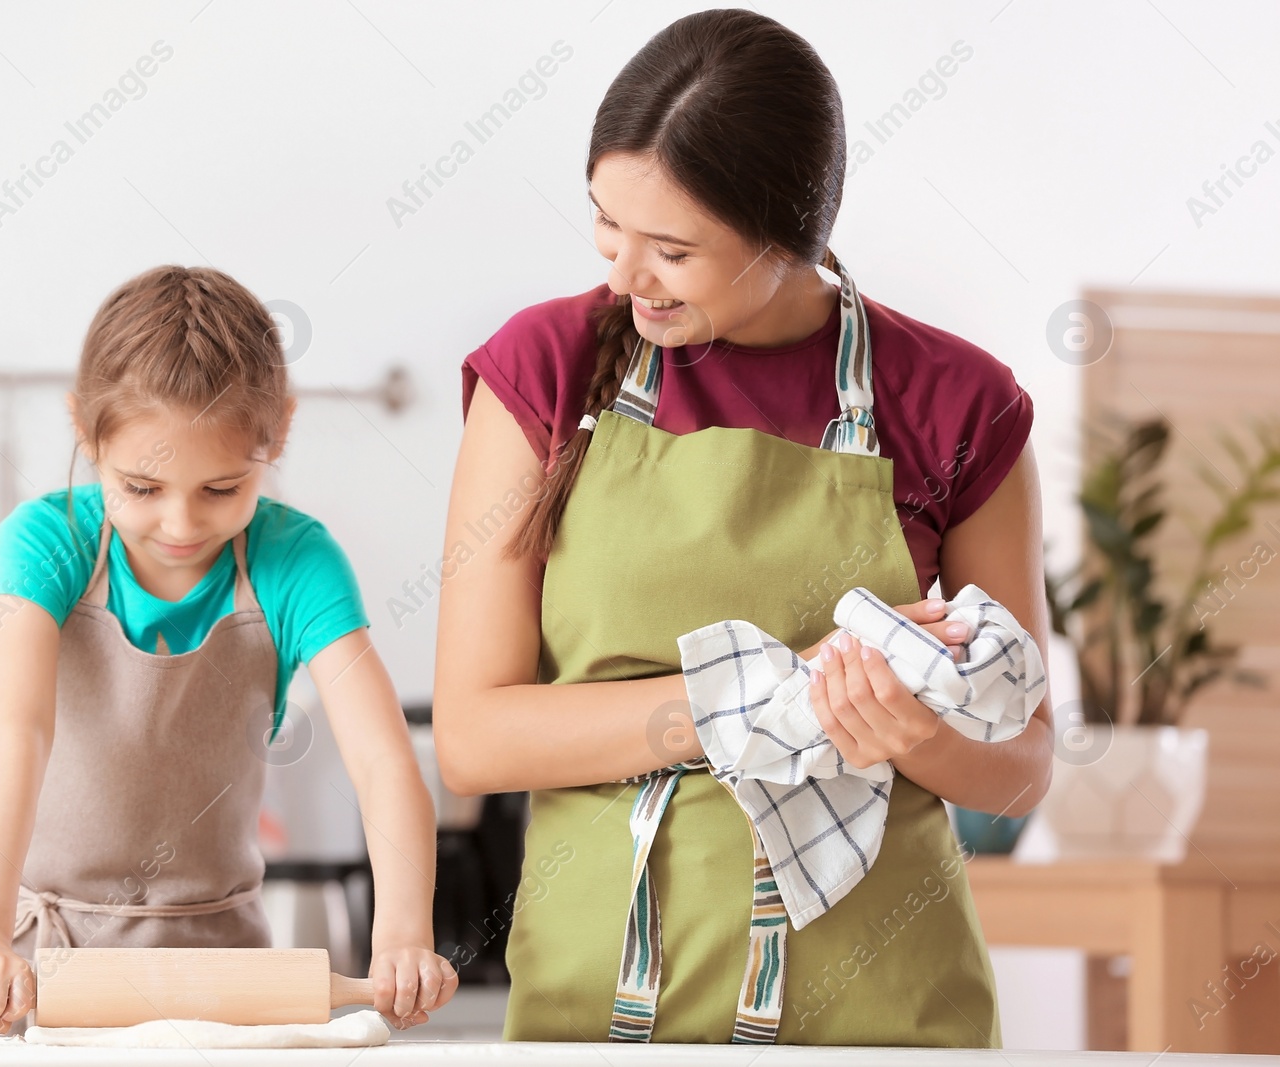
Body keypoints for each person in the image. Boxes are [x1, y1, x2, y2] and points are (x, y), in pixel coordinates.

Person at [434, 9, 1052, 1047]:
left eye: (672, 249)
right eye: (605, 225)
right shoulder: (544, 368)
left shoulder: (957, 402)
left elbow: (1025, 761)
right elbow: (476, 736)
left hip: (879, 1005)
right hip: (604, 999)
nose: (626, 277)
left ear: (789, 232)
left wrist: (915, 736)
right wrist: (761, 696)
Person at [0, 265, 457, 1034]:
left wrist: (405, 934)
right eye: (142, 488)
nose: (180, 523)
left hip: (224, 973)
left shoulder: (296, 562)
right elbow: (16, 734)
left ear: (278, 431)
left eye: (221, 489)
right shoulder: (44, 544)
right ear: (86, 431)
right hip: (42, 971)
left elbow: (383, 759)